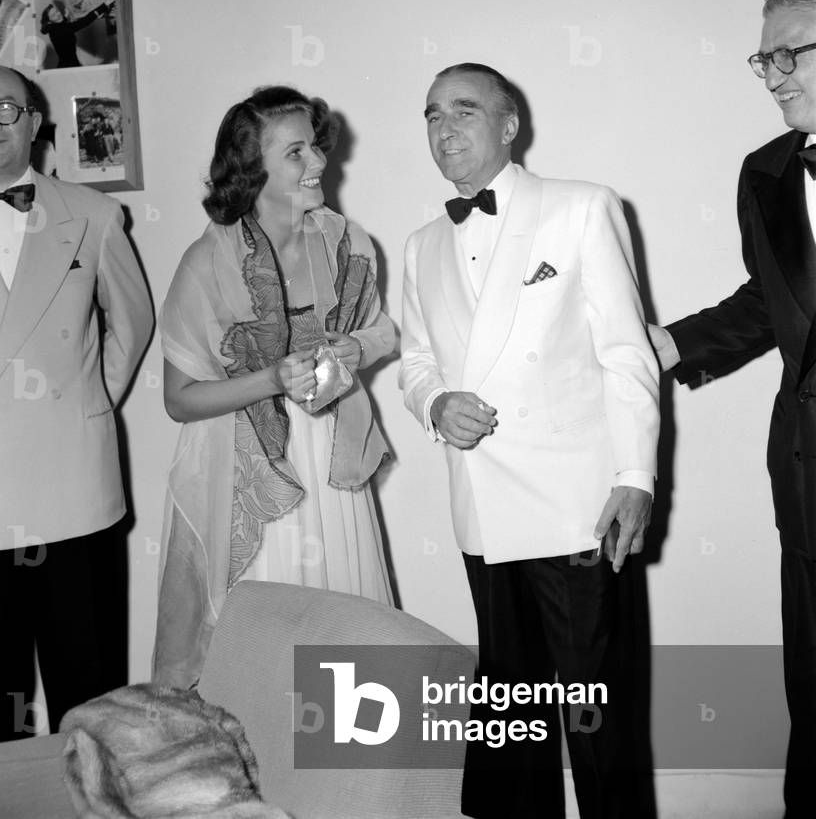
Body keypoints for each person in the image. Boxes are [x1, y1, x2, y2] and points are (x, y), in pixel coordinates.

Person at [399, 63, 660, 819]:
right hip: (484, 510)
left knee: (595, 716)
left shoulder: (580, 208)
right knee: (513, 720)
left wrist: (636, 474)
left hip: (576, 510)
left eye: (465, 111)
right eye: (432, 114)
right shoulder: (421, 245)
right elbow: (417, 361)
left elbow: (625, 353)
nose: (444, 129)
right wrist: (436, 400)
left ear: (508, 126)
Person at [152, 86, 395, 689]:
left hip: (329, 462)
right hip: (243, 468)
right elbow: (179, 399)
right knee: (261, 656)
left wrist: (353, 349)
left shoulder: (348, 243)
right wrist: (268, 379)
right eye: (296, 153)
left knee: (340, 644)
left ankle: (344, 779)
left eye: (314, 148)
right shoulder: (206, 262)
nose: (318, 164)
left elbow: (382, 333)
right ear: (252, 169)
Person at [649, 0, 816, 819]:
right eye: (765, 58)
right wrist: (670, 343)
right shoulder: (766, 172)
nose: (774, 74)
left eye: (790, 53)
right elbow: (772, 300)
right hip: (807, 470)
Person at [0, 66, 153, 741]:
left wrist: (91, 402)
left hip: (72, 491)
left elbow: (134, 321)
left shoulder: (92, 214)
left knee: (86, 697)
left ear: (36, 122)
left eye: (5, 107)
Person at [39, 0, 114, 69]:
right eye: (53, 15)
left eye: (57, 11)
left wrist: (65, 16)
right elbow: (84, 21)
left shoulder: (53, 28)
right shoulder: (61, 30)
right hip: (69, 67)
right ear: (49, 21)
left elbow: (61, 24)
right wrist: (104, 5)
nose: (58, 14)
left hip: (68, 64)